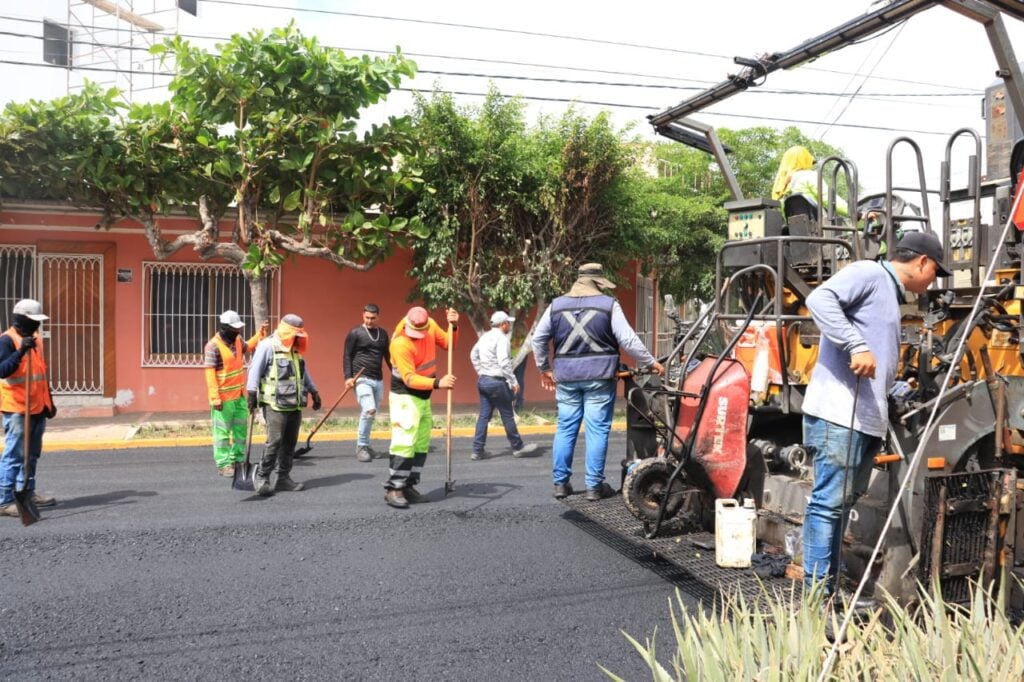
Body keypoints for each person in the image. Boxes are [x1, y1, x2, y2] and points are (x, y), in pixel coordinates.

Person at [801, 231, 949, 595]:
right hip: (839, 413)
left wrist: (891, 387)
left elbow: (874, 359)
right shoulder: (869, 273)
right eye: (935, 273)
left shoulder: (888, 294)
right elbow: (818, 298)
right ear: (922, 262)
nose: (932, 281)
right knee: (828, 504)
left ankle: (828, 589)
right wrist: (855, 344)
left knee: (840, 504)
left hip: (862, 417)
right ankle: (815, 598)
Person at [532, 264, 664, 501]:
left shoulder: (556, 306)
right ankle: (594, 487)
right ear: (598, 284)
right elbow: (628, 339)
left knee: (565, 428)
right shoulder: (608, 305)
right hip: (599, 378)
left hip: (567, 378)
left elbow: (539, 338)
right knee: (597, 430)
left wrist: (544, 369)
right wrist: (651, 362)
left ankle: (560, 484)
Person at [384, 306, 458, 509]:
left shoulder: (431, 326)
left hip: (424, 398)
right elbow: (409, 379)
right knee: (404, 441)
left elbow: (449, 344)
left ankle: (408, 486)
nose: (416, 336)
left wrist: (454, 325)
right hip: (405, 397)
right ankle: (394, 489)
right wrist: (438, 383)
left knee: (420, 443)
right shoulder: (400, 343)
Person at [246, 314, 321, 497]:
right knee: (275, 442)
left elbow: (303, 371)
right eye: (295, 332)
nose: (298, 336)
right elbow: (253, 370)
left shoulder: (295, 348)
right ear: (287, 330)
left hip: (294, 404)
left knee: (289, 443)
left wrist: (314, 391)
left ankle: (283, 478)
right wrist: (251, 393)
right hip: (274, 405)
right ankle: (262, 477)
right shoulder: (267, 346)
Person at [0, 299, 57, 517]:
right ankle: (4, 501)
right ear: (21, 319)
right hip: (17, 409)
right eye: (33, 321)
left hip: (37, 407)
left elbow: (40, 374)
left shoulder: (35, 340)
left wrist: (49, 402)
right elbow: (3, 370)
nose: (37, 326)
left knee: (32, 454)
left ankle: (27, 492)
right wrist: (20, 351)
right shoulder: (7, 340)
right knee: (14, 455)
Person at [204, 310, 268, 476]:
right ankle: (224, 464)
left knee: (240, 430)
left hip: (239, 396)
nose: (238, 332)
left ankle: (238, 459)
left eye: (238, 329)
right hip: (223, 400)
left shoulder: (237, 340)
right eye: (234, 329)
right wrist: (215, 398)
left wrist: (259, 334)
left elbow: (249, 346)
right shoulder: (212, 346)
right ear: (224, 328)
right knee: (222, 434)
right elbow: (210, 374)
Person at [470, 311, 537, 461]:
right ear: (503, 324)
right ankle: (518, 447)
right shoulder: (502, 338)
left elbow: (473, 354)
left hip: (484, 381)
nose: (509, 325)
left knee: (483, 417)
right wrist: (513, 381)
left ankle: (477, 450)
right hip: (497, 382)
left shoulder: (485, 336)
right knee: (507, 416)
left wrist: (481, 371)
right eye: (508, 323)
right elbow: (504, 362)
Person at [343, 303, 391, 462]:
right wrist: (348, 377)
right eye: (367, 317)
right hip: (360, 379)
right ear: (363, 315)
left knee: (372, 414)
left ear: (378, 317)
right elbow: (347, 355)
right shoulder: (355, 332)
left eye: (373, 318)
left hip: (378, 379)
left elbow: (388, 357)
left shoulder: (382, 334)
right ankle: (361, 446)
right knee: (369, 410)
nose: (369, 321)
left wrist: (398, 375)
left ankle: (366, 445)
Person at [770, 145, 848, 217]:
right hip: (817, 227)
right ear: (804, 160)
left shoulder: (781, 187)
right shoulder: (808, 176)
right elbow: (828, 199)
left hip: (794, 229)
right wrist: (854, 212)